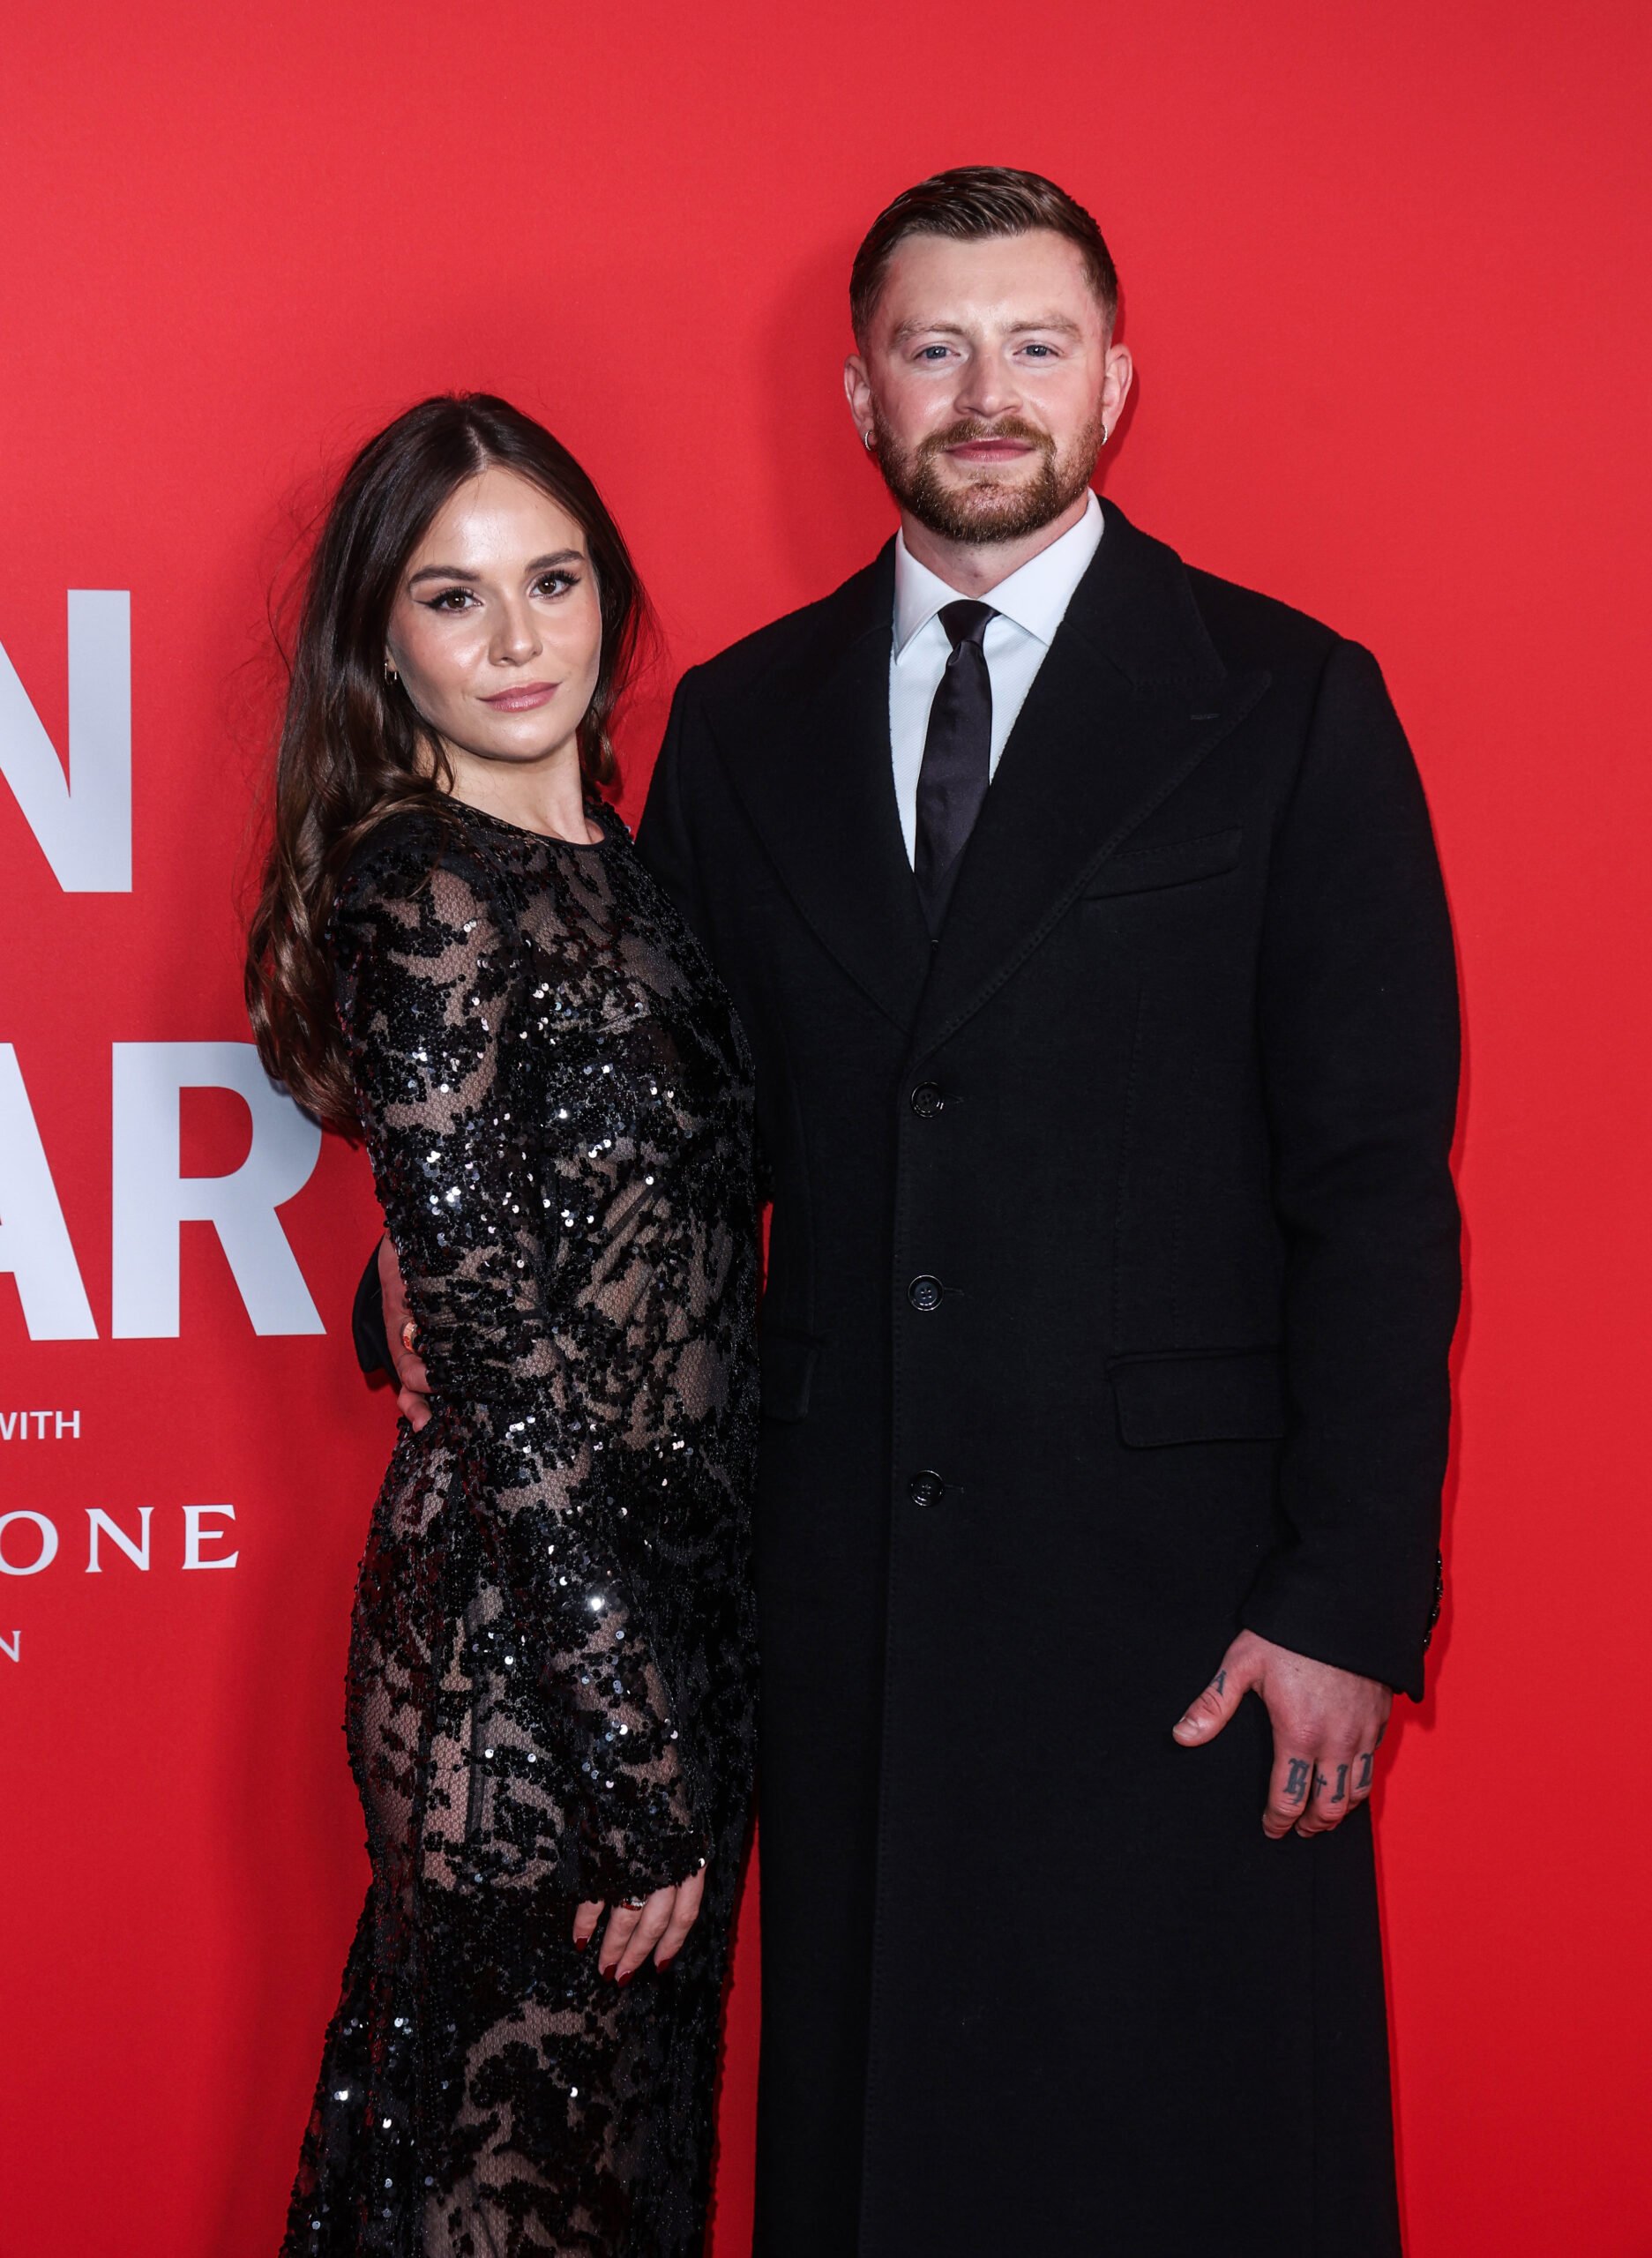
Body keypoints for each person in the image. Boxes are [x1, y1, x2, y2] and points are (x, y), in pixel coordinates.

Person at [375, 168, 1461, 2254]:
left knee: (1201, 2165)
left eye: (1033, 343)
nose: (986, 392)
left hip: (1186, 1608)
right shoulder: (739, 721)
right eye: (933, 346)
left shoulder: (1291, 700)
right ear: (856, 388)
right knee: (889, 2168)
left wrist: (1347, 1592)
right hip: (839, 1588)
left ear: (1114, 377)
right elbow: (658, 1139)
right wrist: (400, 1293)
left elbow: (1375, 1189)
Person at [247, 393, 760, 2258]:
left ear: (609, 594)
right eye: (454, 599)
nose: (519, 636)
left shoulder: (635, 878)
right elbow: (504, 1371)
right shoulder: (428, 888)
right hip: (525, 1677)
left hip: (661, 1640)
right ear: (382, 640)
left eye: (550, 579)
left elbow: (613, 1249)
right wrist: (632, 1762)